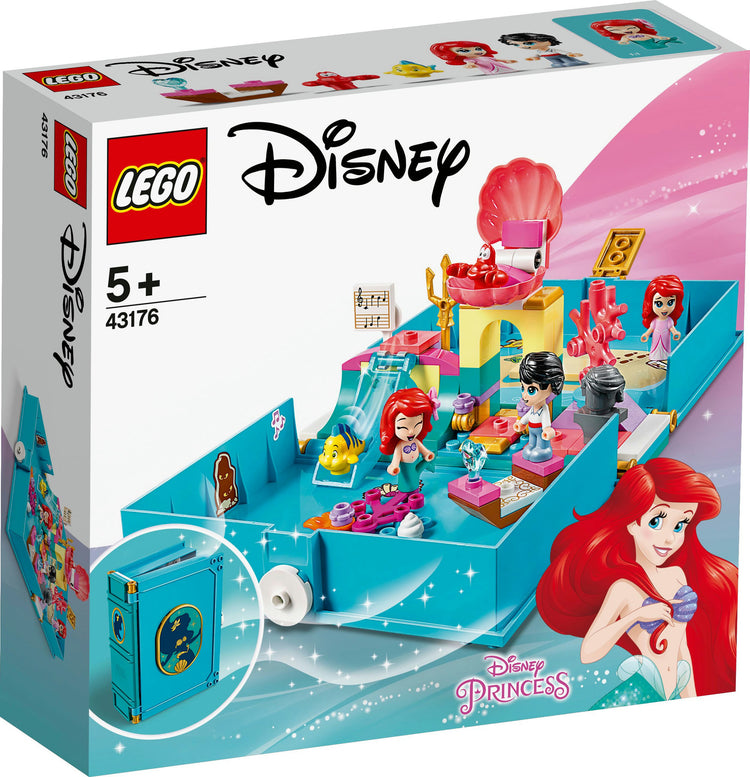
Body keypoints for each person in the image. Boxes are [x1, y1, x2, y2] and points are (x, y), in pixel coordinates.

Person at [536, 458, 737, 704]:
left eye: (679, 525)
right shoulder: (624, 588)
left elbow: (681, 648)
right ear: (632, 522)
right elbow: (588, 653)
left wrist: (692, 701)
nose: (669, 539)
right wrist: (635, 617)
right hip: (642, 696)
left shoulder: (677, 576)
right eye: (656, 522)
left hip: (674, 692)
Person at [379, 387, 437, 493]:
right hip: (405, 469)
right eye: (402, 427)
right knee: (406, 483)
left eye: (418, 424)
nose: (411, 432)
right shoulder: (400, 445)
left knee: (415, 478)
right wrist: (394, 466)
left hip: (415, 465)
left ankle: (414, 490)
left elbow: (423, 450)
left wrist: (427, 454)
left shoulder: (416, 441)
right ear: (391, 426)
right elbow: (395, 459)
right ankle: (406, 492)